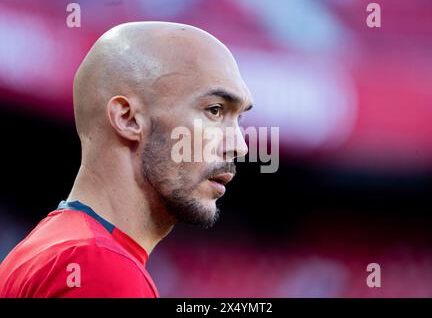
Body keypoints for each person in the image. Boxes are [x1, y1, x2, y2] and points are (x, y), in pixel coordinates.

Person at [0, 21, 253, 297]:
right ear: (128, 119)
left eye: (239, 119)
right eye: (214, 110)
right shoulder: (99, 268)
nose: (239, 146)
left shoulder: (46, 251)